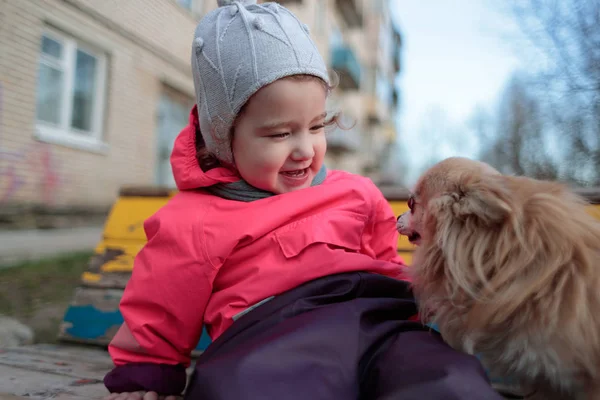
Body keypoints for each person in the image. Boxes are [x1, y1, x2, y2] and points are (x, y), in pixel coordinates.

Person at [103, 1, 504, 399]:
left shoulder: (356, 193)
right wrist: (145, 376)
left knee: (447, 377)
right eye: (280, 134)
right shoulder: (197, 219)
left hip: (383, 322)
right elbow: (163, 305)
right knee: (244, 387)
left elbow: (387, 265)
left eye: (317, 126)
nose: (305, 150)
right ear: (223, 139)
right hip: (277, 337)